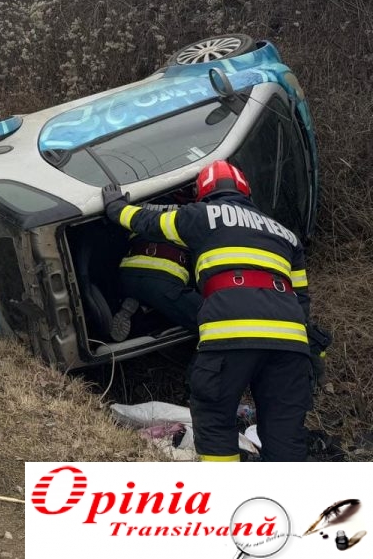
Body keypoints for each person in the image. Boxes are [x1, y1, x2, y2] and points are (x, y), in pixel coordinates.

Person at [102, 159, 314, 462]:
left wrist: (115, 207)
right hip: (291, 343)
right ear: (246, 191)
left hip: (231, 334)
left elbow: (146, 222)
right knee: (285, 434)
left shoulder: (200, 215)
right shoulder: (286, 234)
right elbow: (301, 298)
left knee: (215, 419)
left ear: (203, 192)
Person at [110, 233, 202, 341]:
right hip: (163, 276)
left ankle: (138, 315)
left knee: (163, 310)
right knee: (214, 318)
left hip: (128, 273)